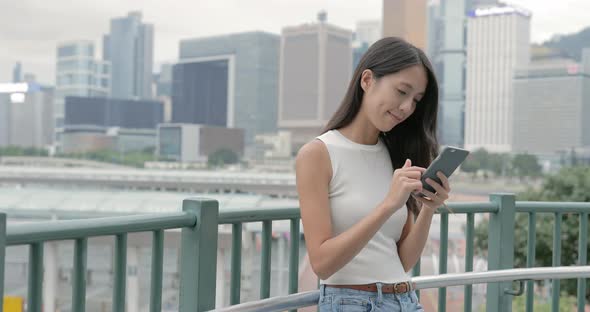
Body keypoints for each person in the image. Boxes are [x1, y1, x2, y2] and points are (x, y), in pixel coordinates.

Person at [295, 37, 451, 311]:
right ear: (367, 80)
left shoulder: (395, 154)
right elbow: (322, 263)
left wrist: (428, 207)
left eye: (416, 100)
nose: (407, 108)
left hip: (405, 299)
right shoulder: (318, 154)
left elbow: (403, 260)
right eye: (401, 91)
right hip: (352, 303)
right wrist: (388, 205)